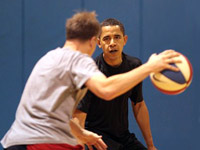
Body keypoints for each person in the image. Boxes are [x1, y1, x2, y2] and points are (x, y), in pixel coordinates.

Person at [1, 11, 180, 150]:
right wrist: (150, 67)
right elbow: (106, 89)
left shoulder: (49, 58)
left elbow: (51, 113)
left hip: (18, 141)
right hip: (41, 142)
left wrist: (82, 134)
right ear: (94, 41)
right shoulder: (78, 60)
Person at [73, 18, 160, 150]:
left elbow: (139, 105)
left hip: (123, 137)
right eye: (106, 38)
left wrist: (150, 145)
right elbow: (79, 115)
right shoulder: (90, 71)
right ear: (99, 43)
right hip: (98, 138)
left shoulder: (134, 65)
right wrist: (83, 144)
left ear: (124, 40)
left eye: (117, 37)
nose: (112, 43)